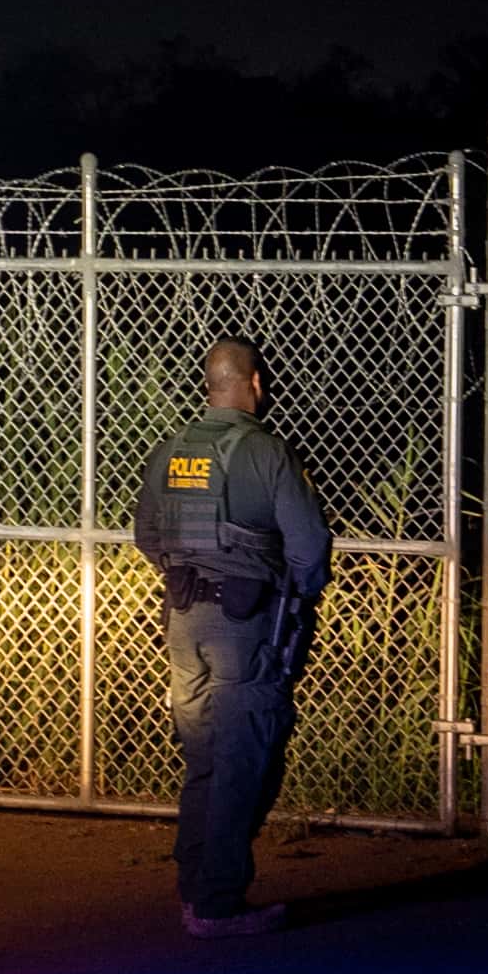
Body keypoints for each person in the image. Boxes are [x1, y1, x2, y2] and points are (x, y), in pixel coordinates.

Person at [132, 331, 335, 937]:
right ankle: (218, 903)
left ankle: (195, 886)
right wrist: (286, 594)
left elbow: (146, 536)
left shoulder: (169, 451)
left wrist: (196, 570)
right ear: (255, 384)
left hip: (183, 621)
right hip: (244, 628)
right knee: (246, 759)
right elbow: (309, 547)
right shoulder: (264, 451)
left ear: (207, 384)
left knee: (205, 759)